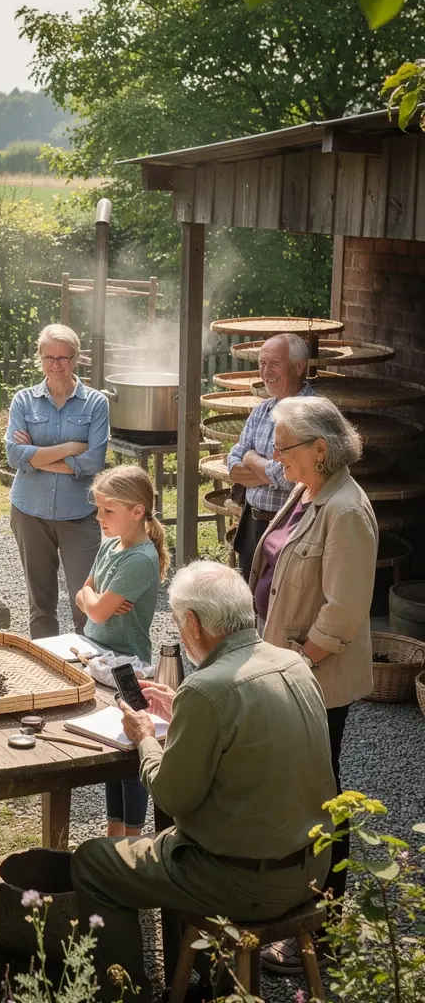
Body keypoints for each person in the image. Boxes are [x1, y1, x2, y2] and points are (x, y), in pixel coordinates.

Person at [70, 561, 335, 1003]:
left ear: (192, 623)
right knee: (187, 840)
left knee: (93, 861)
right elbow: (248, 739)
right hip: (311, 870)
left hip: (245, 883)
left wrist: (143, 739)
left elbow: (171, 795)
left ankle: (125, 995)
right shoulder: (294, 664)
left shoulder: (208, 690)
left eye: (177, 621)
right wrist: (183, 713)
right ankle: (211, 979)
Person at [249, 396, 378, 975]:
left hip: (312, 680)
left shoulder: (346, 510)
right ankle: (299, 911)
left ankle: (323, 931)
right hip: (286, 669)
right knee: (301, 792)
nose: (276, 458)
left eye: (284, 447)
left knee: (321, 800)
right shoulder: (311, 490)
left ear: (319, 449)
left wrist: (295, 666)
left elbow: (343, 614)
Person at [74, 465, 170, 840]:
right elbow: (84, 593)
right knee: (111, 750)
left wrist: (92, 601)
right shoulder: (111, 544)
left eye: (107, 510)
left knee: (131, 758)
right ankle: (114, 834)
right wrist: (93, 599)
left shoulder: (139, 559)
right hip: (99, 655)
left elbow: (93, 607)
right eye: (98, 509)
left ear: (138, 511)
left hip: (129, 666)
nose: (99, 518)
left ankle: (131, 838)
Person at [6, 324, 110, 637]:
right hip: (29, 512)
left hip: (78, 514)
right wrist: (69, 449)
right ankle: (47, 673)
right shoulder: (24, 401)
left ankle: (91, 676)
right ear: (40, 358)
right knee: (41, 602)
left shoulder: (95, 403)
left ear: (76, 359)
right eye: (49, 356)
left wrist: (35, 459)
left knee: (86, 602)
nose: (56, 364)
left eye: (64, 357)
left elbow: (94, 461)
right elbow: (13, 456)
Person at [227, 333, 314, 580]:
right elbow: (233, 465)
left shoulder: (312, 412)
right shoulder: (262, 410)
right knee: (250, 603)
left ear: (299, 367)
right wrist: (270, 471)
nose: (266, 372)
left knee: (279, 604)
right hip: (252, 524)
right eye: (262, 364)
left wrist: (252, 459)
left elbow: (290, 478)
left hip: (291, 527)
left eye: (274, 363)